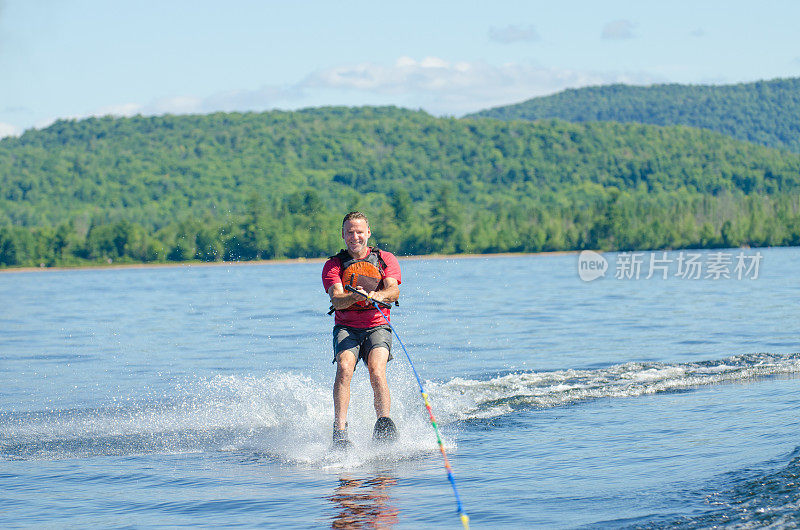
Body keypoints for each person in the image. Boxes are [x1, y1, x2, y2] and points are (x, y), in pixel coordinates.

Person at [322, 211, 401, 448]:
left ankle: (384, 423)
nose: (354, 236)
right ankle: (340, 432)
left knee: (377, 369)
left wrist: (378, 295)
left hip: (377, 324)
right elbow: (336, 299)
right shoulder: (333, 265)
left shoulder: (385, 258)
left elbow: (394, 291)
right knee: (345, 367)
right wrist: (355, 296)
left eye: (359, 232)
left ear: (368, 233)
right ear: (343, 235)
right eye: (349, 232)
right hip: (346, 327)